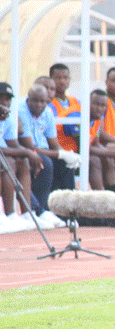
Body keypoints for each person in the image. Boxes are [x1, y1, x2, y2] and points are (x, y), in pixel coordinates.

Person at [18, 84, 75, 228]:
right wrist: (59, 154)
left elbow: (53, 143)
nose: (39, 105)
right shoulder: (21, 110)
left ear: (47, 101)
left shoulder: (48, 112)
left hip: (41, 151)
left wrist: (66, 155)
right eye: (35, 101)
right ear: (28, 99)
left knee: (66, 165)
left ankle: (65, 212)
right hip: (25, 151)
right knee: (45, 163)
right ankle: (38, 210)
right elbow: (28, 145)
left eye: (42, 101)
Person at [60, 90, 115, 190]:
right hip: (61, 156)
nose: (99, 108)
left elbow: (95, 143)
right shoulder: (77, 115)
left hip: (75, 154)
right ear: (88, 103)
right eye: (96, 104)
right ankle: (100, 197)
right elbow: (85, 149)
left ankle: (112, 196)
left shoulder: (97, 117)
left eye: (103, 106)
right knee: (94, 160)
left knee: (108, 159)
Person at [0, 82, 47, 233]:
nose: (5, 103)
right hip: (3, 157)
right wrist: (26, 152)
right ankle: (5, 214)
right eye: (1, 98)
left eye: (8, 99)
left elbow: (12, 144)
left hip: (5, 154)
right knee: (8, 163)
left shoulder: (7, 117)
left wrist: (28, 153)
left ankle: (26, 213)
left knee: (23, 161)